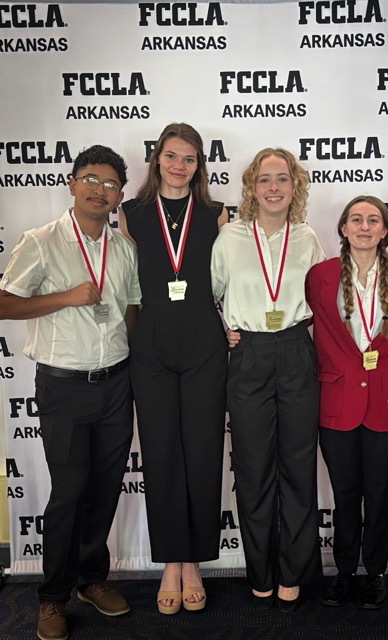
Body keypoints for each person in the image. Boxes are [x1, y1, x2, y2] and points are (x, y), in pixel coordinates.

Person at [0, 145, 140, 640]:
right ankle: (52, 598)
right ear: (73, 184)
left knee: (105, 488)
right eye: (91, 180)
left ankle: (91, 580)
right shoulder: (41, 241)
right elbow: (4, 303)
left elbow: (132, 308)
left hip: (116, 383)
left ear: (119, 196)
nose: (100, 191)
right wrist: (67, 297)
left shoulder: (124, 248)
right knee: (69, 493)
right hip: (63, 385)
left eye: (111, 185)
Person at [120, 123, 228, 614]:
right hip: (152, 341)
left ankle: (194, 561)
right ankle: (170, 561)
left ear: (199, 164)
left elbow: (232, 279)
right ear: (157, 159)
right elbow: (125, 285)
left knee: (203, 450)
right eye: (171, 156)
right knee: (161, 450)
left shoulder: (216, 213)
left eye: (189, 158)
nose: (179, 165)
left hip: (204, 339)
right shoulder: (131, 214)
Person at [211, 148, 325, 612]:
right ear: (251, 187)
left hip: (296, 350)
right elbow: (209, 296)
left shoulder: (307, 237)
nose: (273, 187)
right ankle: (260, 572)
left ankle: (293, 572)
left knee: (298, 468)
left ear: (295, 185)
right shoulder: (230, 237)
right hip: (249, 354)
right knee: (254, 470)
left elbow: (322, 297)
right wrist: (223, 331)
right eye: (264, 179)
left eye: (282, 178)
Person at [306, 196, 388, 610]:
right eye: (356, 219)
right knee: (345, 495)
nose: (364, 227)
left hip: (386, 398)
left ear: (384, 229)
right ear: (344, 228)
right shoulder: (320, 275)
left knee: (379, 494)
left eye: (373, 220)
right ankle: (345, 571)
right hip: (336, 399)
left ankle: (377, 573)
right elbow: (293, 319)